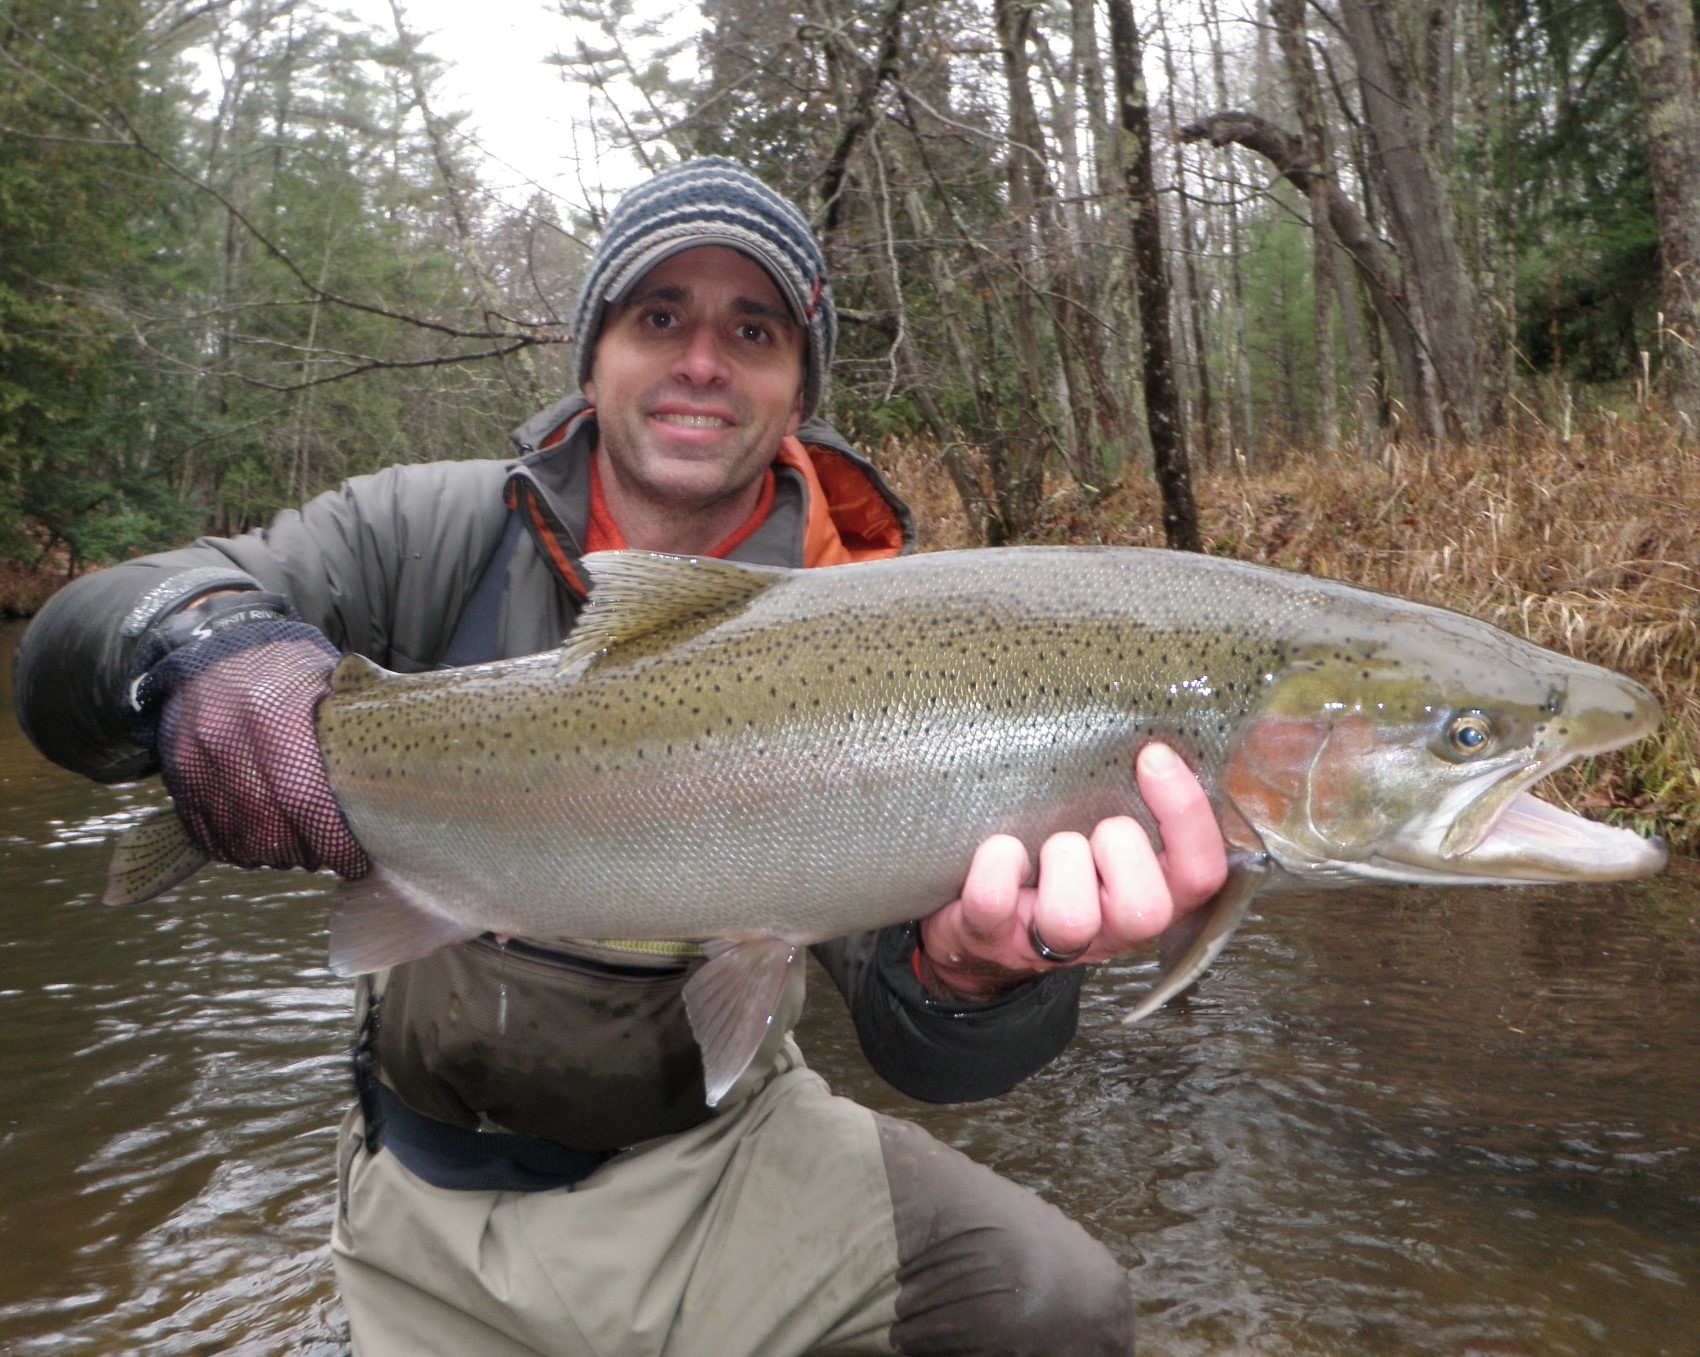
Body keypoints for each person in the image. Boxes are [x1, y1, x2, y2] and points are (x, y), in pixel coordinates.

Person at [14, 159, 1228, 1355]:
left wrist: (982, 981)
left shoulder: (877, 622)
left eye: (751, 329)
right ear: (590, 361)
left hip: (720, 1155)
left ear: (797, 388)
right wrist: (202, 649)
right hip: (426, 1188)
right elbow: (82, 643)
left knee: (1057, 1300)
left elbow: (925, 1049)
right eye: (660, 317)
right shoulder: (422, 534)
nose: (701, 361)